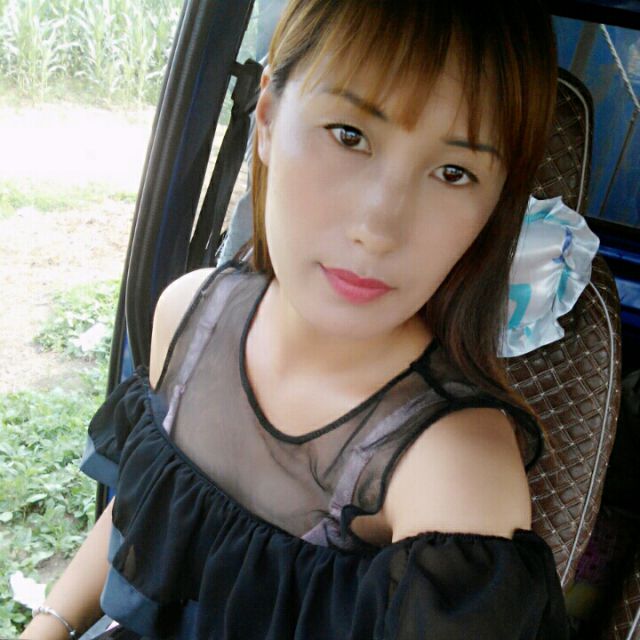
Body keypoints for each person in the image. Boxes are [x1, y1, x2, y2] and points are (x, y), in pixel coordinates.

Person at [21, 0, 570, 638]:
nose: (378, 227)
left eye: (454, 172)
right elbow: (146, 506)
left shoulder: (451, 469)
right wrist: (50, 624)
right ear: (267, 118)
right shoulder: (189, 316)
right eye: (349, 135)